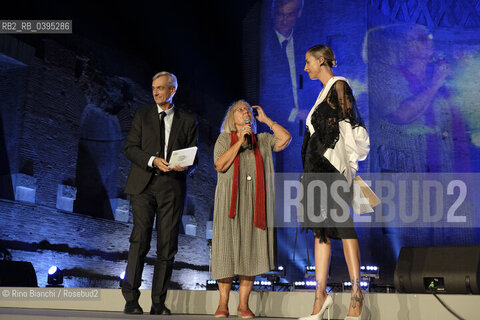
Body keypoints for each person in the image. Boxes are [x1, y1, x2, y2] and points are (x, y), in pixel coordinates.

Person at [299, 45, 370, 320]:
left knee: (344, 226)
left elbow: (351, 127)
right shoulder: (321, 94)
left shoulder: (339, 85)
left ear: (321, 61)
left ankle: (356, 294)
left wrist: (349, 170)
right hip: (315, 171)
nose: (306, 68)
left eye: (308, 62)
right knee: (321, 232)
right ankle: (320, 296)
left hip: (333, 170)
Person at [121, 71, 198, 315]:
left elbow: (194, 157)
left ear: (172, 90)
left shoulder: (187, 120)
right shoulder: (142, 115)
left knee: (167, 245)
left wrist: (186, 166)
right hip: (143, 186)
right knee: (139, 240)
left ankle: (158, 303)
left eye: (160, 88)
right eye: (153, 88)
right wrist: (153, 160)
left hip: (172, 187)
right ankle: (131, 300)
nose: (155, 92)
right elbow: (130, 148)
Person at [211, 100, 291, 318]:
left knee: (250, 251)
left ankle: (243, 305)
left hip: (255, 204)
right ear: (231, 118)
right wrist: (240, 141)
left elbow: (285, 138)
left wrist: (266, 120)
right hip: (229, 203)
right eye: (240, 109)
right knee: (226, 251)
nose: (245, 111)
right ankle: (223, 303)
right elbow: (220, 164)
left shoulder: (263, 140)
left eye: (247, 109)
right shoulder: (224, 138)